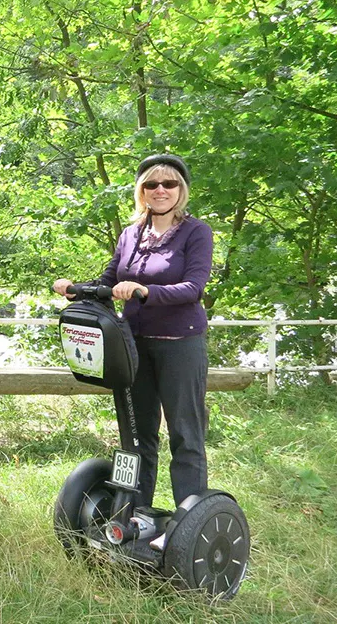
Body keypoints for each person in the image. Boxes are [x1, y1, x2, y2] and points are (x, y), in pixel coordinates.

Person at [53, 153, 212, 507]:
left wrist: (145, 291)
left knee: (185, 434)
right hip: (133, 345)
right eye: (151, 184)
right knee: (138, 435)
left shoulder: (195, 232)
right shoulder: (131, 233)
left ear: (180, 190)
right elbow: (109, 280)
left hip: (180, 344)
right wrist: (74, 288)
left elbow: (194, 287)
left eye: (169, 183)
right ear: (141, 192)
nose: (160, 190)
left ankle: (189, 519)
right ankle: (135, 513)